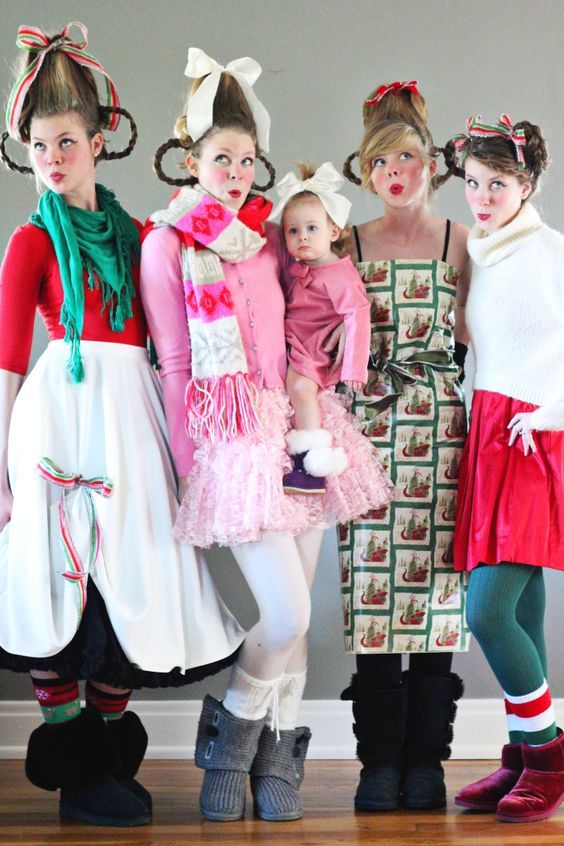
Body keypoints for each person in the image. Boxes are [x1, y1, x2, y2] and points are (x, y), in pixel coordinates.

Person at [0, 23, 244, 827]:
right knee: (64, 580)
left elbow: (171, 339)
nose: (52, 158)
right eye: (39, 145)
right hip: (61, 420)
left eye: (66, 140)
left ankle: (105, 750)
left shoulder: (141, 235)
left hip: (130, 418)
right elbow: (6, 362)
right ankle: (75, 761)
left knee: (134, 578)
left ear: (99, 139)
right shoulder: (30, 240)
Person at [140, 48, 391, 823]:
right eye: (222, 158)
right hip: (231, 442)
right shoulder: (168, 242)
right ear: (191, 159)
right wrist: (194, 465)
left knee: (303, 619)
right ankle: (228, 742)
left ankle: (272, 761)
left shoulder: (270, 236)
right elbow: (176, 362)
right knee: (281, 616)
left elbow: (309, 311)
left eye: (248, 159)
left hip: (293, 426)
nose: (239, 172)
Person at [338, 79, 470, 812]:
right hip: (369, 440)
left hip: (444, 438)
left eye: (410, 156)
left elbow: (492, 334)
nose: (397, 172)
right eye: (382, 160)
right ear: (367, 168)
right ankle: (377, 764)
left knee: (438, 602)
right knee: (375, 603)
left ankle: (428, 761)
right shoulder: (347, 241)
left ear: (432, 162)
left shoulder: (461, 240)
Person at [447, 113, 564, 823]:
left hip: (531, 432)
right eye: (472, 183)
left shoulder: (549, 251)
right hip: (490, 426)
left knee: (488, 610)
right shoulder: (484, 253)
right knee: (522, 604)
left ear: (527, 183)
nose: (482, 196)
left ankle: (548, 756)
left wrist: (548, 412)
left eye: (498, 183)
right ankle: (527, 752)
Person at [269, 161, 372, 494]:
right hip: (290, 340)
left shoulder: (338, 273)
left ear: (333, 231)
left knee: (301, 389)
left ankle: (310, 463)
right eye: (293, 231)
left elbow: (357, 313)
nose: (302, 238)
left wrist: (354, 367)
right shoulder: (295, 265)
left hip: (315, 346)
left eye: (312, 228)